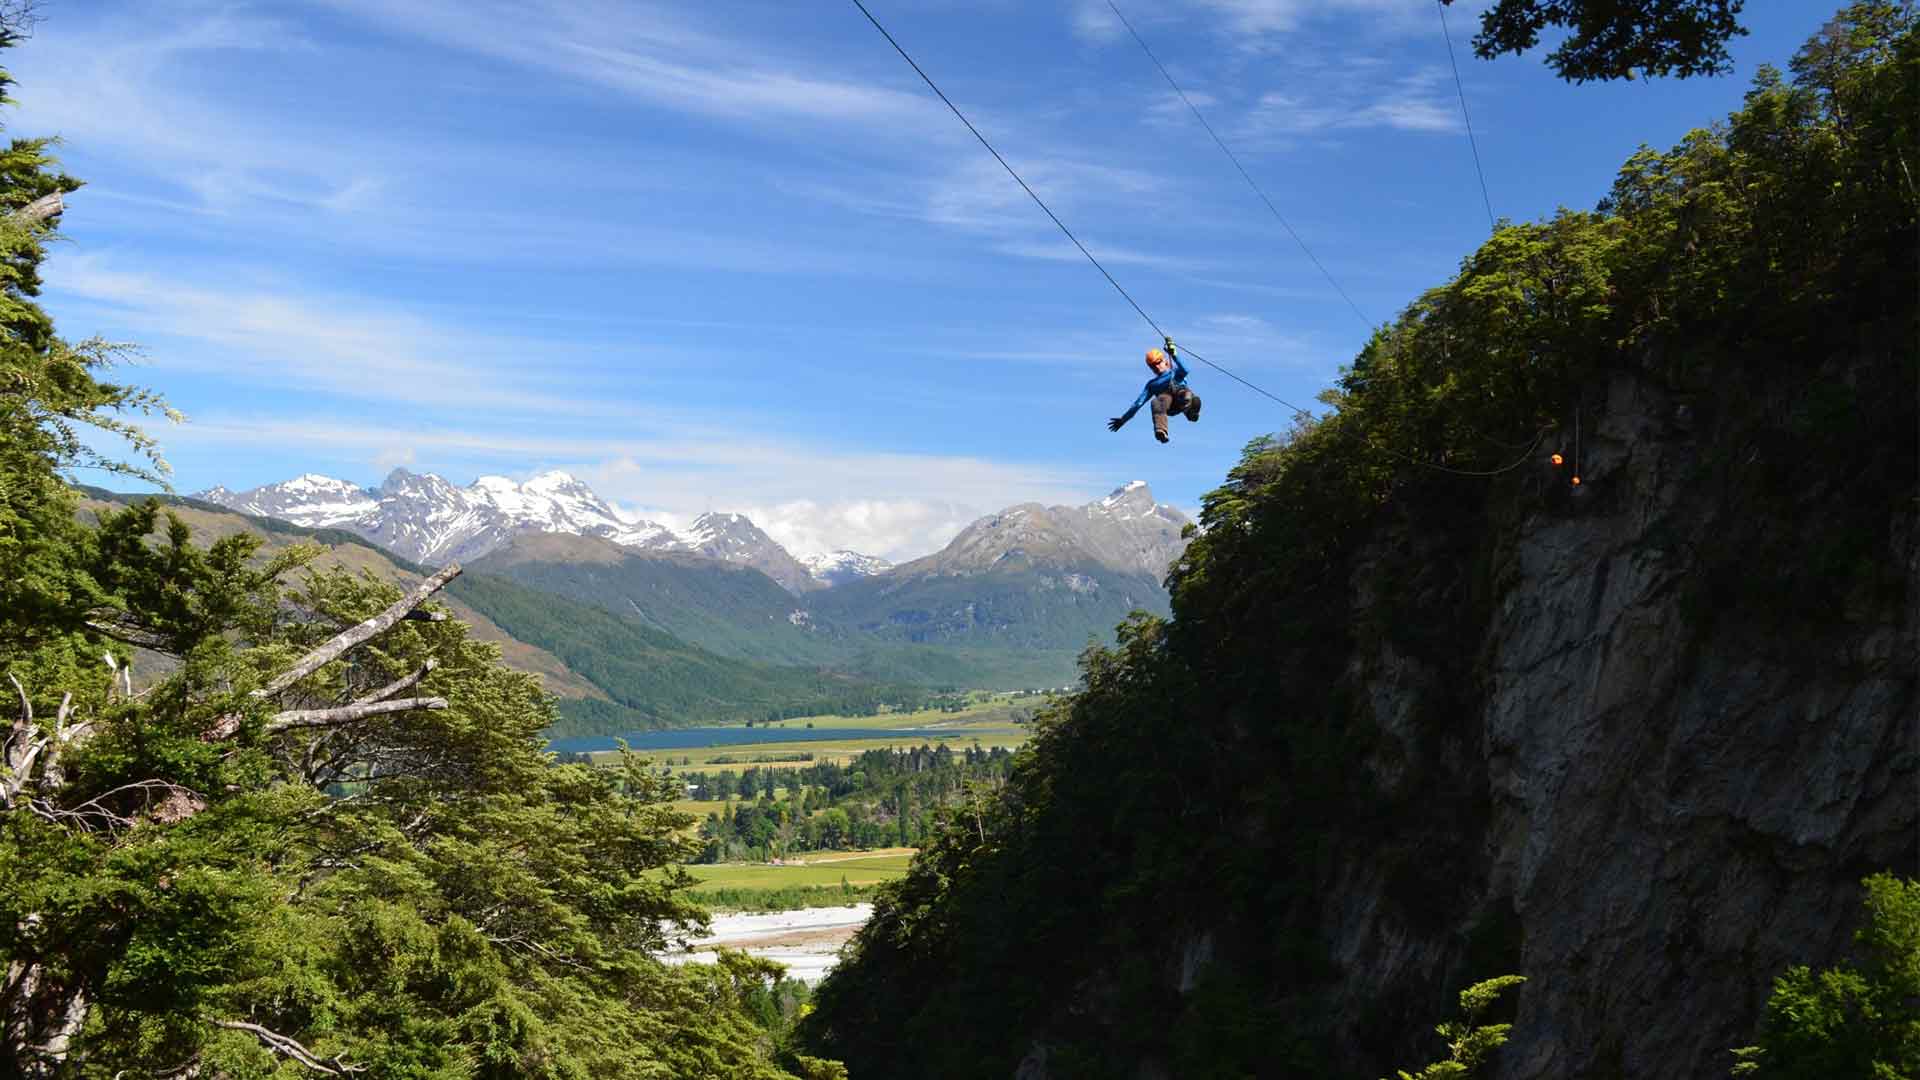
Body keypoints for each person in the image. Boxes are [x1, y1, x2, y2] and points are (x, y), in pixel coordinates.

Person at [1107, 336, 1201, 443]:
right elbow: (1138, 403)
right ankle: (1161, 430)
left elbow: (1186, 369)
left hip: (1183, 398)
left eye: (1158, 362)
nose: (1156, 367)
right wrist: (1123, 419)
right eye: (1152, 366)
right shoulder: (1152, 385)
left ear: (1164, 361)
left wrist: (1174, 354)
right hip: (1169, 407)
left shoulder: (1175, 372)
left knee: (1184, 393)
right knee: (1158, 400)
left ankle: (1190, 411)